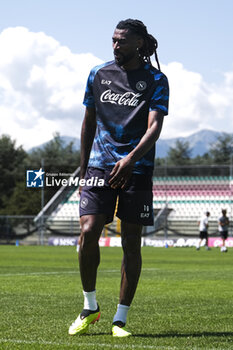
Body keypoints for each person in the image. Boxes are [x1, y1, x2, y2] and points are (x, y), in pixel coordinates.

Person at [68, 18, 169, 337]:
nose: (115, 45)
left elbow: (154, 128)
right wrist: (83, 171)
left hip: (136, 168)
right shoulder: (98, 73)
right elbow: (88, 122)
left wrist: (129, 159)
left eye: (121, 41)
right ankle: (90, 306)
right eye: (112, 40)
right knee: (88, 230)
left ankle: (120, 319)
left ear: (139, 43)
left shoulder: (156, 79)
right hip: (99, 165)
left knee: (131, 242)